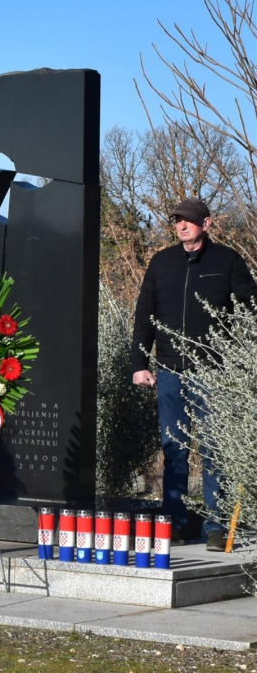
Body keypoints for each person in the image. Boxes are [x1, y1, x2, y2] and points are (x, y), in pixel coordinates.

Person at [131, 198, 257, 552]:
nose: (182, 226)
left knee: (216, 450)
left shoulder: (227, 261)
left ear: (207, 223)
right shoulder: (162, 262)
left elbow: (250, 305)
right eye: (177, 221)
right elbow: (144, 316)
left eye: (188, 220)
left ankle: (216, 528)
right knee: (174, 450)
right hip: (169, 371)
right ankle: (176, 524)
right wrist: (139, 364)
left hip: (213, 372)